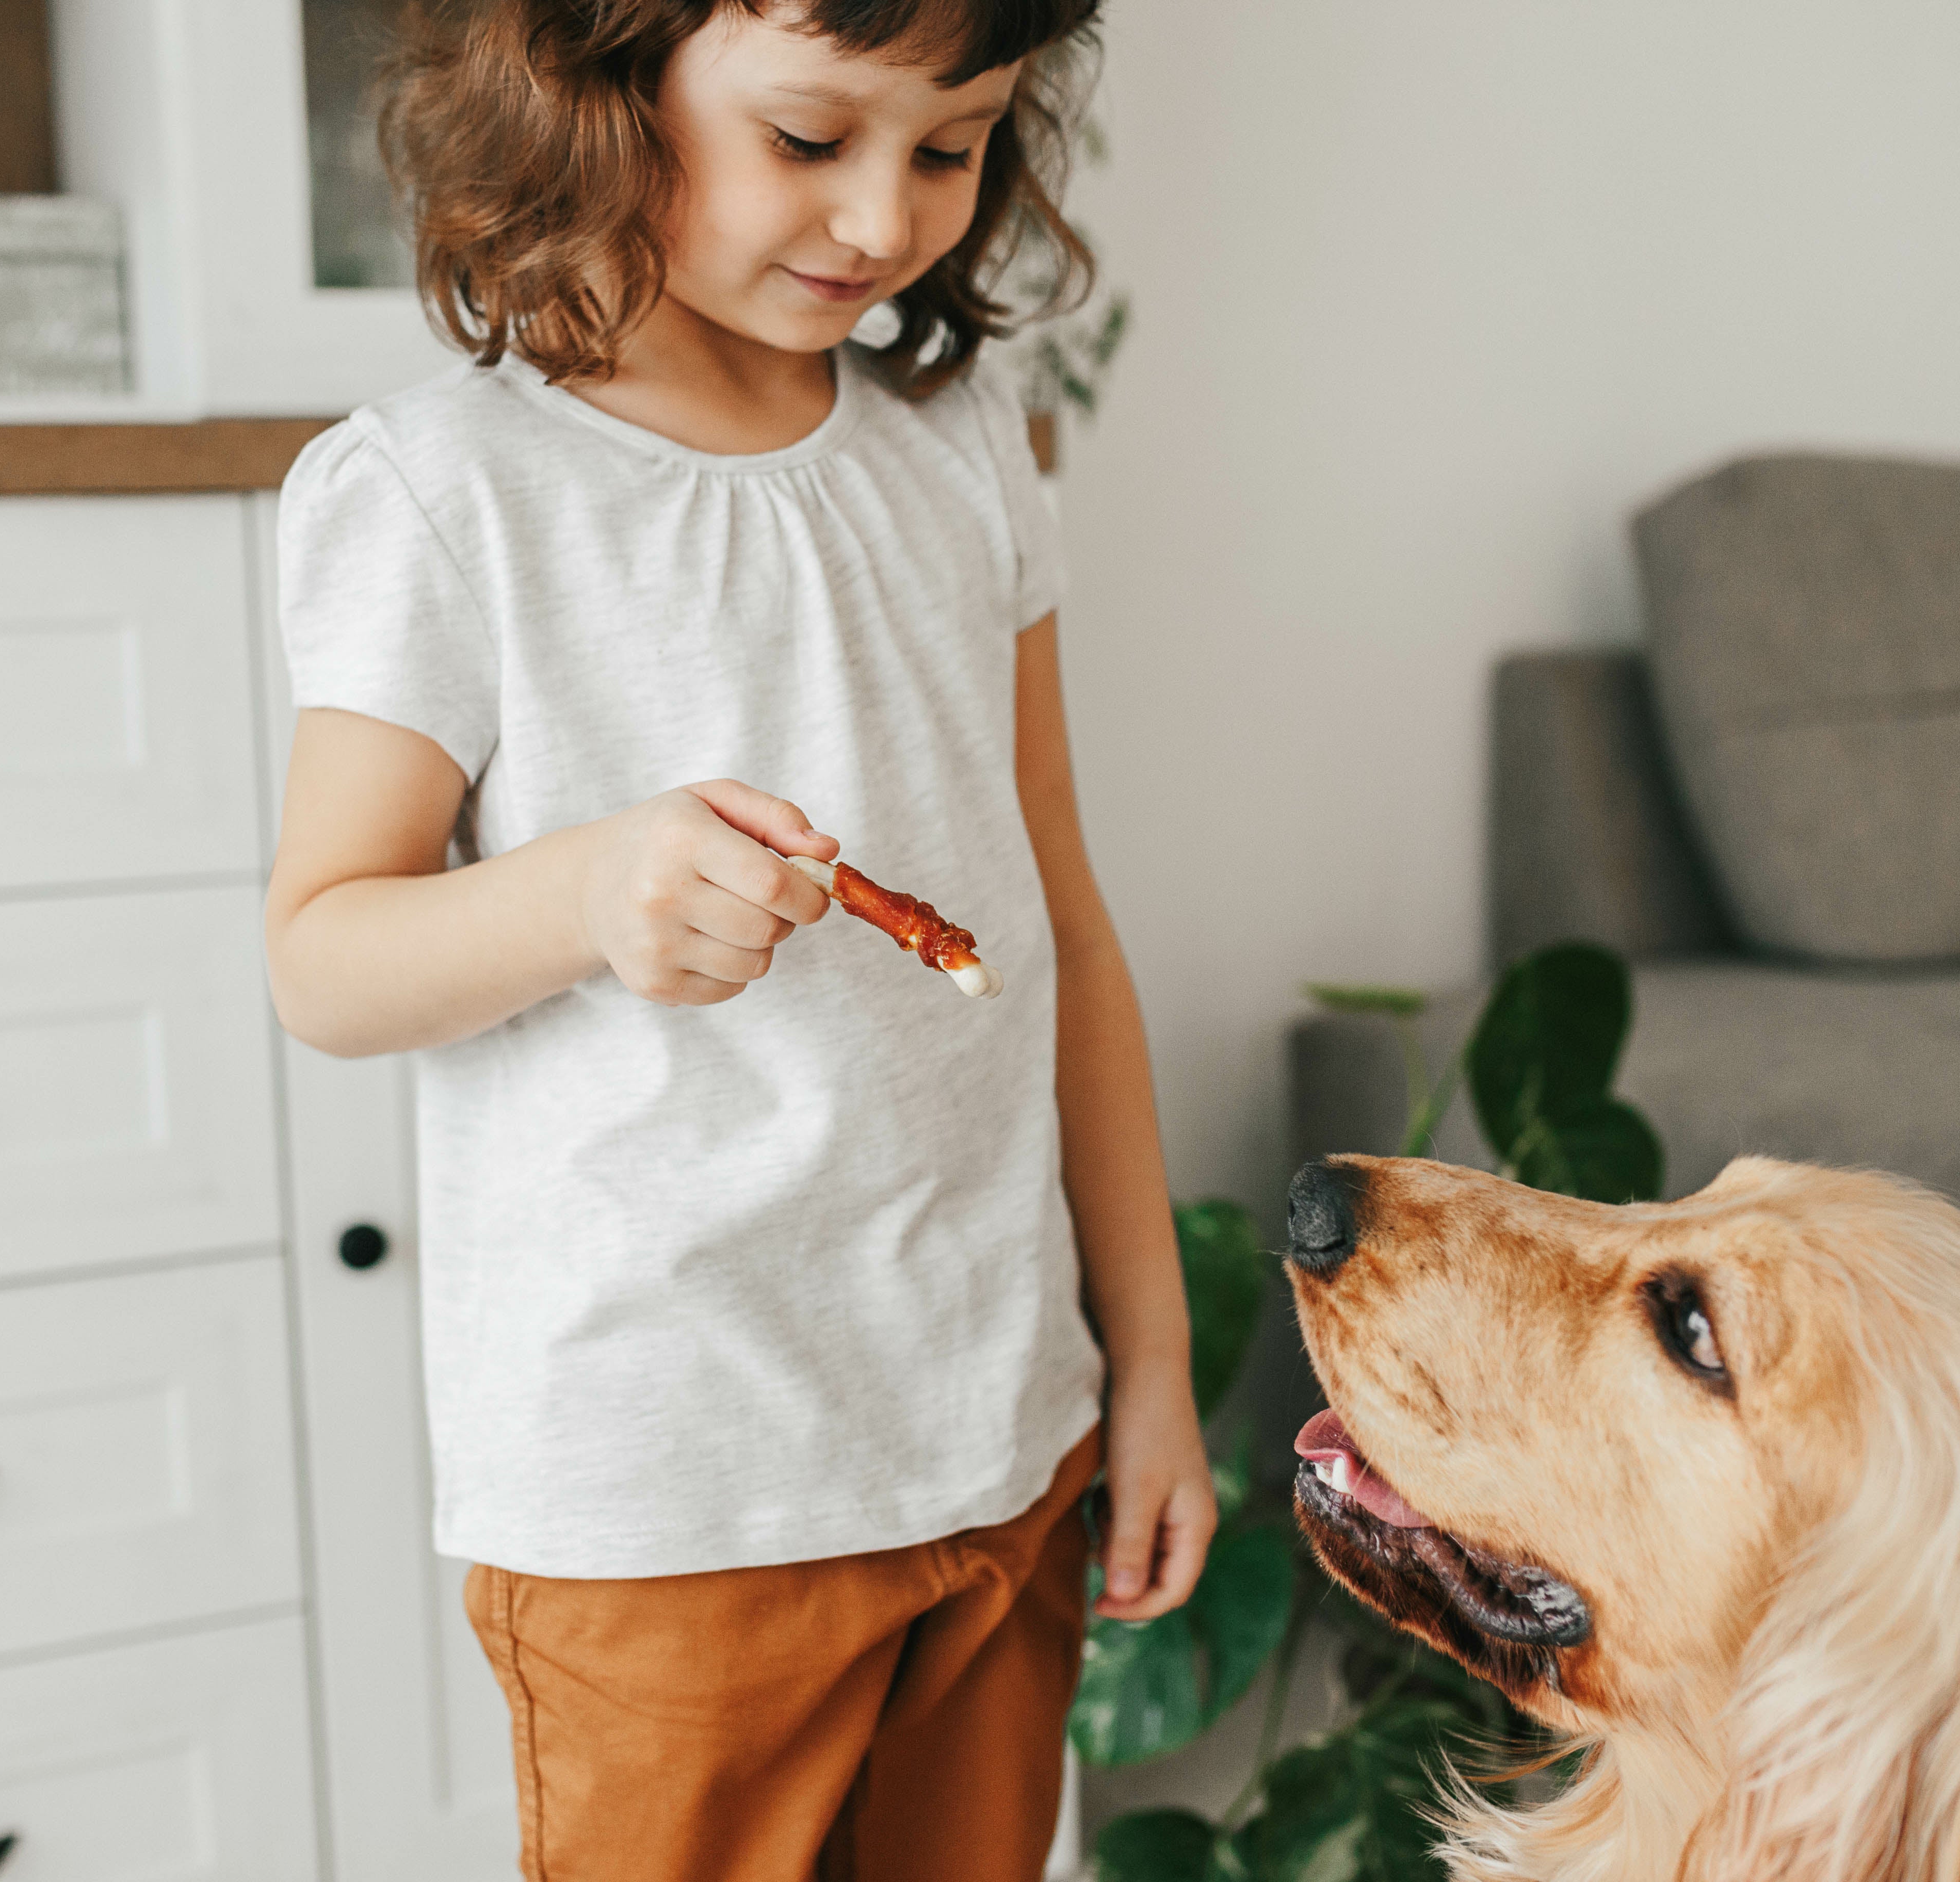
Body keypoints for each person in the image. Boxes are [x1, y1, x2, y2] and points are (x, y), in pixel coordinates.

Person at [263, 2, 1210, 1876]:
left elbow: (1061, 935)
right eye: (810, 138)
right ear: (599, 88)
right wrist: (578, 893)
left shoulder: (962, 451)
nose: (880, 219)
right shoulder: (441, 496)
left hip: (996, 1437)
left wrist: (1154, 1367)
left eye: (947, 150)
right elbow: (322, 958)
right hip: (672, 1501)